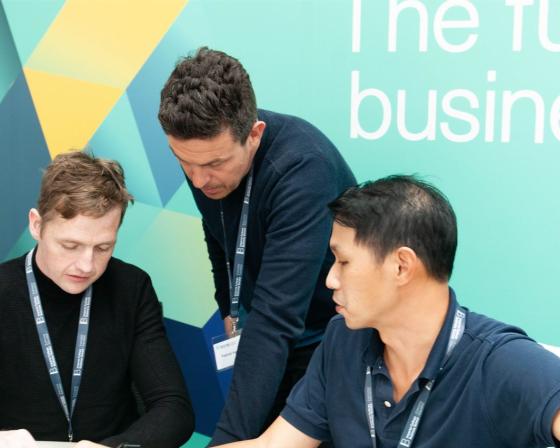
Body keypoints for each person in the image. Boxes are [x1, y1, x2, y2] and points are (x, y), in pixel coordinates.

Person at [214, 175, 560, 447]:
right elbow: (276, 444)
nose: (331, 279)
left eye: (344, 261)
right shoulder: (342, 340)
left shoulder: (501, 362)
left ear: (401, 266)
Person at [158, 47, 356, 444]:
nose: (198, 181)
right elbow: (219, 237)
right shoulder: (203, 160)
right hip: (266, 335)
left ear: (254, 135)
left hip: (328, 340)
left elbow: (277, 317)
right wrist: (228, 309)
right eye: (183, 162)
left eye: (214, 164)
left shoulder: (303, 169)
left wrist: (226, 441)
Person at [0, 152, 195, 447]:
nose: (87, 265)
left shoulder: (132, 287)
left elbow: (174, 409)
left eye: (103, 247)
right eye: (71, 245)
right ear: (36, 225)